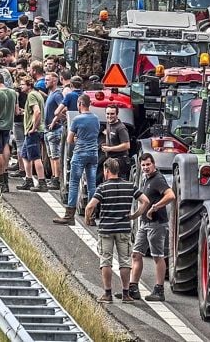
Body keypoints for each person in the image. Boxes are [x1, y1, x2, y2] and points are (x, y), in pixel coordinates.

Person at [85, 158, 142, 303]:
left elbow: (90, 206)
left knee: (106, 261)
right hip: (123, 228)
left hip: (106, 229)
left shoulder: (103, 188)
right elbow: (146, 201)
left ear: (107, 170)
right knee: (125, 262)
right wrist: (134, 215)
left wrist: (87, 219)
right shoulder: (130, 186)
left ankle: (108, 294)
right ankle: (126, 294)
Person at [129, 153, 175, 301]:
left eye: (148, 164)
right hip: (144, 224)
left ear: (154, 164)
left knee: (157, 256)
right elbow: (144, 203)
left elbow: (171, 196)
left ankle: (159, 290)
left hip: (157, 224)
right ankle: (132, 288)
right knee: (136, 254)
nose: (146, 167)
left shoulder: (158, 179)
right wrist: (133, 217)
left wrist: (155, 207)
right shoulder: (146, 179)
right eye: (143, 165)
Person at [54, 94, 99, 225]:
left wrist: (76, 139)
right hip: (93, 154)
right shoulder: (96, 118)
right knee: (92, 186)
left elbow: (69, 140)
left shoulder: (77, 119)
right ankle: (90, 216)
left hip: (80, 154)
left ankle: (69, 216)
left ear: (80, 104)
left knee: (74, 183)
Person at [16, 75, 47, 192]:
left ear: (29, 85)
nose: (20, 86)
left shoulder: (32, 95)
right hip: (32, 130)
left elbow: (37, 112)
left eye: (23, 84)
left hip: (33, 131)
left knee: (35, 157)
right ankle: (28, 179)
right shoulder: (37, 94)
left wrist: (33, 128)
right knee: (25, 155)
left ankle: (42, 182)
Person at [101, 105, 131, 179]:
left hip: (120, 161)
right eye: (107, 114)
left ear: (117, 114)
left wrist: (110, 149)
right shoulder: (109, 123)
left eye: (112, 114)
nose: (109, 116)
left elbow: (127, 145)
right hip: (111, 160)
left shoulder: (121, 128)